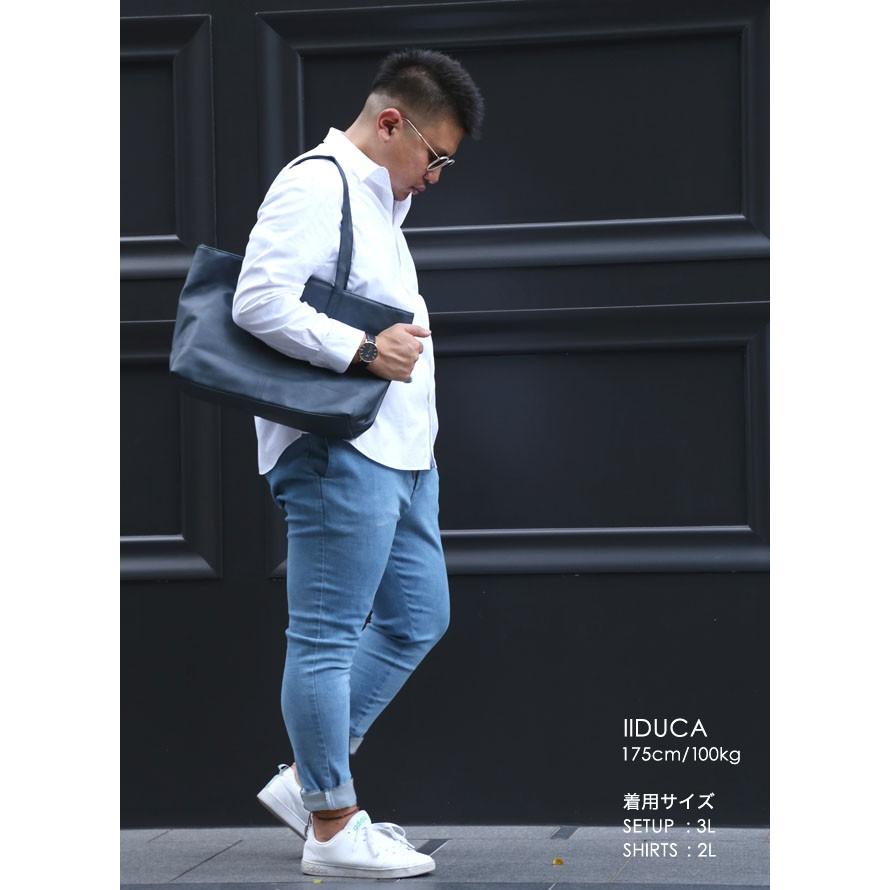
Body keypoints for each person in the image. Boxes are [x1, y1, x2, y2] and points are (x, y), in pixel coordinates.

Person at [231, 48, 485, 879]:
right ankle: (333, 826)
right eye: (435, 157)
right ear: (391, 123)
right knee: (327, 637)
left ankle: (309, 780)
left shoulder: (379, 201)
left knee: (418, 617)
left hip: (401, 451)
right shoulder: (317, 184)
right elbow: (257, 299)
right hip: (339, 449)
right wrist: (364, 348)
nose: (434, 178)